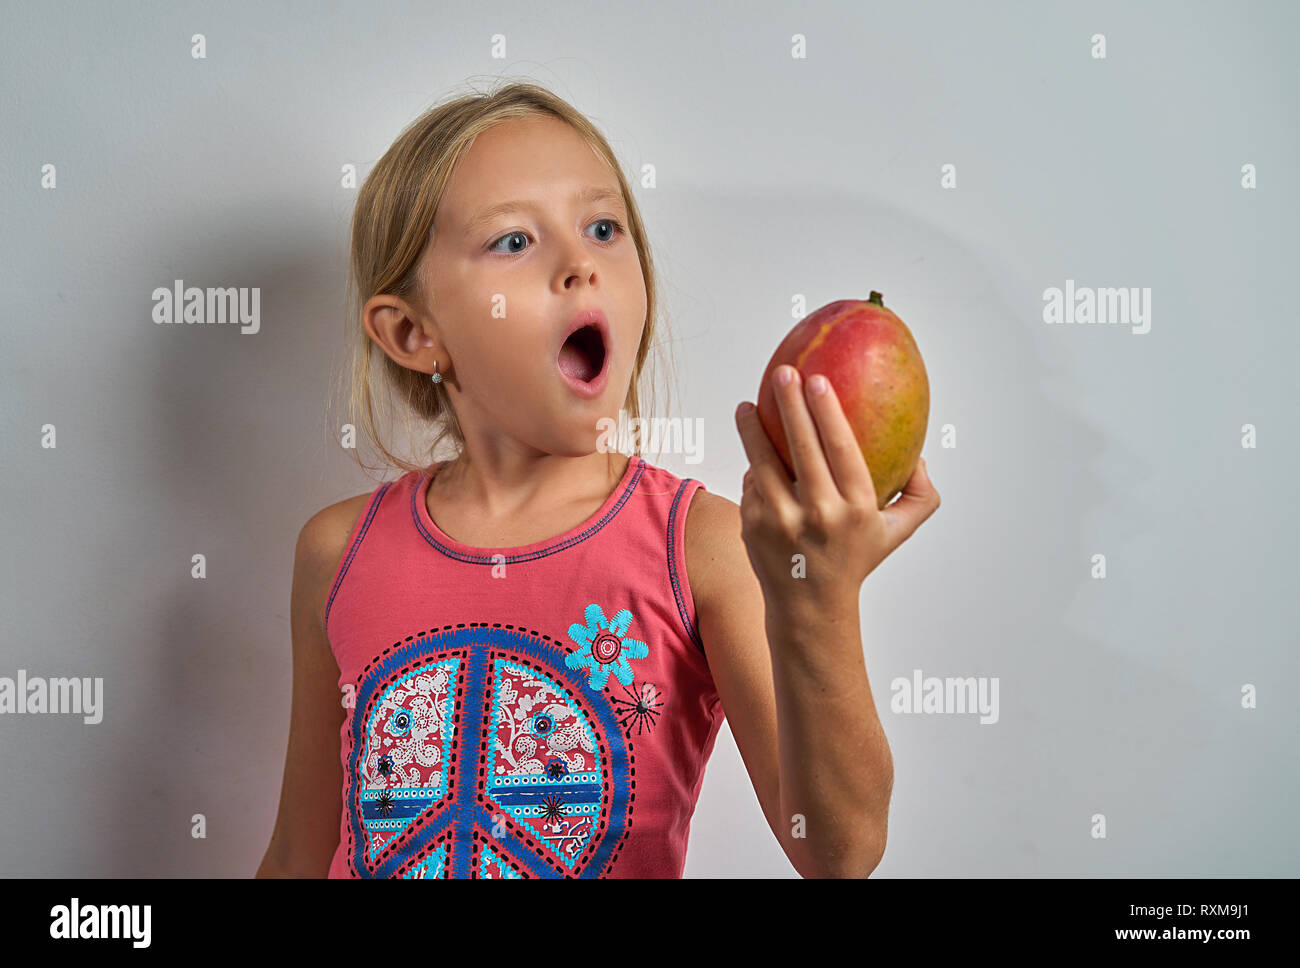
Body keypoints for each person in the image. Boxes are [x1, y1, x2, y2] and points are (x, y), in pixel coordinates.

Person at [255, 80, 940, 879]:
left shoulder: (703, 547)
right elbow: (301, 854)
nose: (581, 264)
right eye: (514, 241)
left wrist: (818, 597)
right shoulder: (338, 552)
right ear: (413, 333)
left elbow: (840, 851)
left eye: (604, 228)